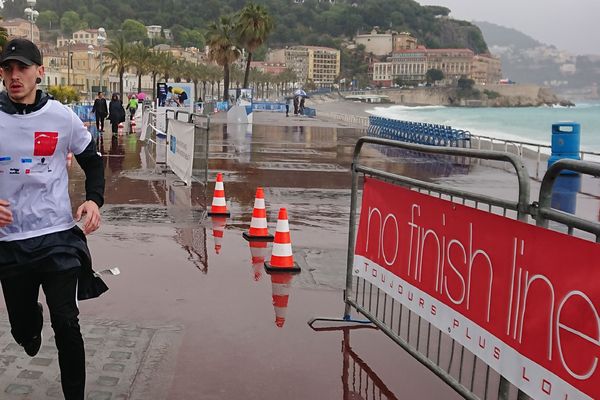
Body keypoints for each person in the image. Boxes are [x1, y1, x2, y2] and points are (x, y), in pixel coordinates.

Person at [0, 38, 107, 400]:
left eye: (23, 68)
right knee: (22, 330)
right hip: (10, 241)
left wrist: (93, 201)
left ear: (39, 72)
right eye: (8, 68)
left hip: (57, 235)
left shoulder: (61, 117)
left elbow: (92, 160)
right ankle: (28, 327)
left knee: (66, 323)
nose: (15, 75)